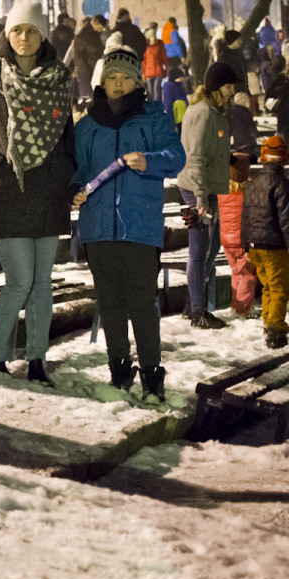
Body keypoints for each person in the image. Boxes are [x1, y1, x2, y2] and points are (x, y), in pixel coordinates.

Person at [0, 0, 75, 385]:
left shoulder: (59, 79)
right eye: (17, 30)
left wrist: (68, 178)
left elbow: (68, 139)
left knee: (41, 284)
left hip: (48, 195)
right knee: (20, 281)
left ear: (43, 35)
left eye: (32, 30)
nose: (24, 37)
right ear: (7, 34)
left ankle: (37, 361)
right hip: (8, 194)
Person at [72, 47, 185, 401]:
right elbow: (77, 168)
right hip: (97, 229)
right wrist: (73, 190)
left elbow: (176, 157)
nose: (119, 84)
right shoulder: (87, 125)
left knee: (142, 305)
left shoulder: (154, 118)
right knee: (110, 305)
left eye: (125, 78)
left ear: (137, 82)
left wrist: (148, 160)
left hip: (140, 227)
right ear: (102, 82)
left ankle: (152, 375)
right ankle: (119, 372)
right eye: (112, 78)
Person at [177, 61, 235, 329]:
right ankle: (197, 312)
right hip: (197, 188)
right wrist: (200, 197)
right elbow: (196, 156)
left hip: (208, 187)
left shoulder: (213, 112)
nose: (232, 91)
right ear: (217, 87)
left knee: (212, 248)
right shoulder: (203, 113)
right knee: (199, 252)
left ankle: (192, 304)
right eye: (229, 86)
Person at [241, 135, 289, 348]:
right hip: (274, 246)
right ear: (284, 157)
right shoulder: (285, 185)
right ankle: (275, 331)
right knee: (279, 290)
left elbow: (245, 217)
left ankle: (268, 323)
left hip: (254, 246)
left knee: (267, 287)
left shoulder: (252, 183)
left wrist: (245, 245)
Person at [216, 153, 257, 318]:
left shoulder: (222, 191)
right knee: (248, 275)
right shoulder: (248, 193)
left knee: (236, 272)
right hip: (243, 240)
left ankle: (236, 306)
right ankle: (243, 310)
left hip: (227, 240)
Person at [73, 14, 104, 99]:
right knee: (87, 97)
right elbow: (78, 56)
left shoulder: (95, 35)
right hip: (86, 73)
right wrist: (84, 70)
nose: (101, 30)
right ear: (96, 23)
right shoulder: (82, 35)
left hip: (93, 70)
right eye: (100, 28)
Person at [142, 27, 169, 102]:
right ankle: (151, 107)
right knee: (150, 93)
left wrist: (167, 69)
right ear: (149, 37)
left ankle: (157, 106)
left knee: (157, 91)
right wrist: (143, 73)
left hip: (158, 72)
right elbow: (144, 61)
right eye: (151, 36)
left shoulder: (159, 45)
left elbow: (165, 59)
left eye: (154, 36)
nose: (153, 38)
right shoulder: (146, 47)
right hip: (148, 73)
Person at [162, 66, 188, 134]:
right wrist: (172, 122)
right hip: (177, 121)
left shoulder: (181, 87)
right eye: (180, 77)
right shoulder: (168, 88)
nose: (182, 79)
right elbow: (168, 105)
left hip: (185, 120)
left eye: (182, 77)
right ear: (174, 77)